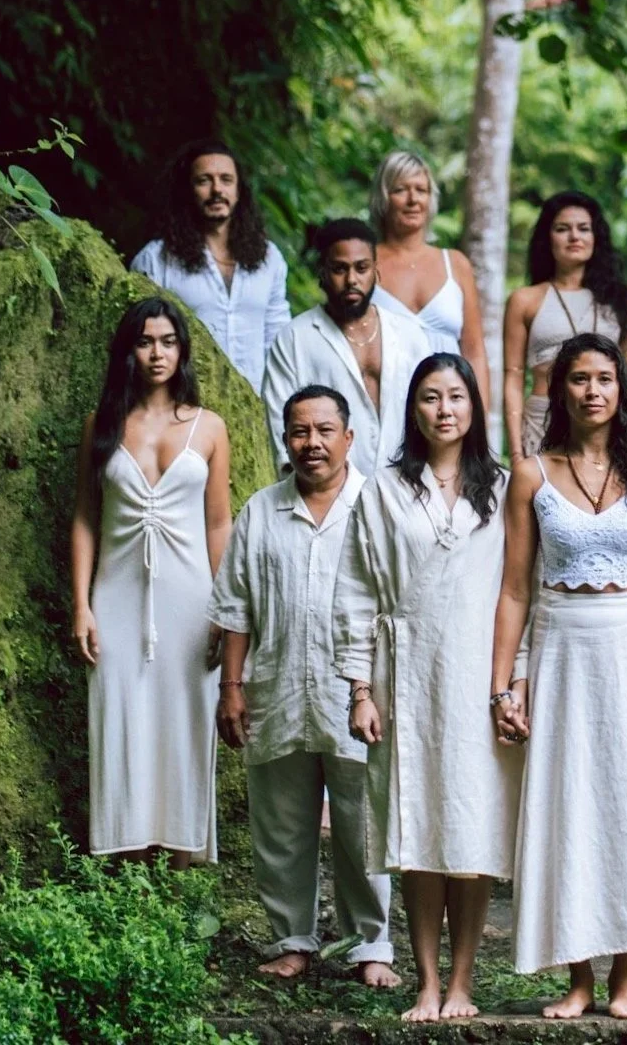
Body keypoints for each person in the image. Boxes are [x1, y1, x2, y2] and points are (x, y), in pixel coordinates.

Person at [490, 333, 627, 1020]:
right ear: (561, 392)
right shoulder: (532, 475)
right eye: (578, 379)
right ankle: (577, 977)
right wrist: (505, 683)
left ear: (622, 389)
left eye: (604, 379)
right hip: (563, 654)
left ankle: (624, 980)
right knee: (572, 805)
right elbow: (515, 589)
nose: (591, 391)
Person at [334, 353, 521, 1022]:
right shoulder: (383, 490)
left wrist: (515, 681)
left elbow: (517, 592)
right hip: (404, 672)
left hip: (479, 673)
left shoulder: (501, 489)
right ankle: (427, 984)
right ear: (412, 410)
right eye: (431, 398)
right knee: (417, 830)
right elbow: (354, 590)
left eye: (456, 397)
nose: (445, 409)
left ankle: (464, 982)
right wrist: (360, 686)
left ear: (474, 406)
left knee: (471, 832)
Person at [207, 385, 397, 985]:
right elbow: (236, 606)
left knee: (362, 821)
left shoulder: (378, 505)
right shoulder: (261, 510)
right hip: (277, 687)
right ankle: (292, 939)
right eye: (298, 432)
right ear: (285, 438)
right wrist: (230, 686)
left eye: (323, 431)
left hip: (357, 695)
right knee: (281, 825)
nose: (311, 444)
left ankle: (372, 946)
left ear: (349, 437)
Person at [69, 296, 231, 867]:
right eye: (145, 341)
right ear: (128, 351)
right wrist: (82, 606)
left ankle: (181, 862)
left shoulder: (208, 427)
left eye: (167, 341)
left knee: (186, 717)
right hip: (115, 597)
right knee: (119, 715)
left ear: (182, 349)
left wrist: (226, 609)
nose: (156, 353)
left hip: (191, 601)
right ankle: (125, 860)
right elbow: (87, 517)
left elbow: (218, 523)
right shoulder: (103, 424)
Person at [262, 218, 430, 479]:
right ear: (323, 272)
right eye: (340, 269)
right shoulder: (294, 339)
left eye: (361, 268)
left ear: (376, 270)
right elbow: (279, 428)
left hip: (405, 487)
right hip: (328, 494)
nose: (352, 279)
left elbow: (429, 412)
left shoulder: (409, 335)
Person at [131, 139, 290, 391]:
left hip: (256, 407)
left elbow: (277, 338)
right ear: (187, 190)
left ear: (239, 191)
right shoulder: (155, 259)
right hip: (186, 406)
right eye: (204, 180)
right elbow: (140, 340)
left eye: (226, 180)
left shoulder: (269, 259)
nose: (217, 189)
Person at [503, 191, 627, 460]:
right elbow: (513, 376)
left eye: (584, 229)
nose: (574, 237)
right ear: (548, 238)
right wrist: (516, 452)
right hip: (540, 421)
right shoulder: (525, 300)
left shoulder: (619, 302)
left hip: (606, 426)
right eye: (562, 229)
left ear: (596, 238)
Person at [367, 151, 491, 405]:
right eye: (401, 189)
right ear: (383, 197)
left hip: (448, 410)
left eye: (421, 190)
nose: (413, 199)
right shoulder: (364, 263)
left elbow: (475, 353)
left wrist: (480, 423)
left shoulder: (455, 264)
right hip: (384, 404)